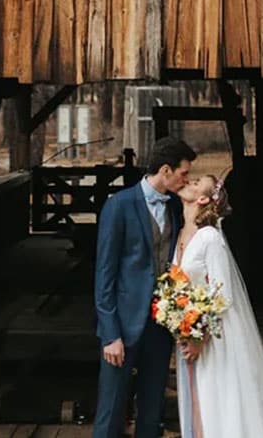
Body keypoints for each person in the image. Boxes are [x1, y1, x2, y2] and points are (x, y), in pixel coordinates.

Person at [93, 137, 195, 438]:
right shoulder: (119, 206)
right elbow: (104, 275)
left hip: (160, 326)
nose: (186, 179)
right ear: (166, 170)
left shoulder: (176, 206)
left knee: (152, 411)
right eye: (183, 173)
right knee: (111, 410)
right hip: (122, 327)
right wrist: (110, 333)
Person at [173, 175, 263, 438]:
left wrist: (200, 336)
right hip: (190, 334)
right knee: (196, 402)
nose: (189, 181)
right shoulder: (182, 234)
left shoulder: (210, 238)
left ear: (202, 199)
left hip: (213, 339)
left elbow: (223, 294)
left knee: (217, 405)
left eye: (196, 182)